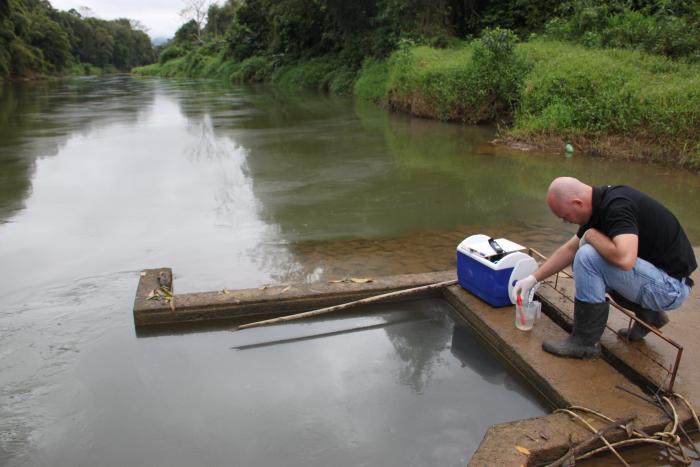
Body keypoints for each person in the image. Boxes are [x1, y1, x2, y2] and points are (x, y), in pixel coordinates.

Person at [514, 177, 696, 359]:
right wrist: (533, 279)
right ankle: (650, 316)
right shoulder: (598, 206)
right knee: (592, 255)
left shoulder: (617, 207)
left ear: (577, 203)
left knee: (588, 257)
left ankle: (585, 343)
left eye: (565, 217)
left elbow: (625, 260)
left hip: (670, 288)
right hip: (658, 279)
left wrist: (591, 235)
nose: (566, 222)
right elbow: (569, 249)